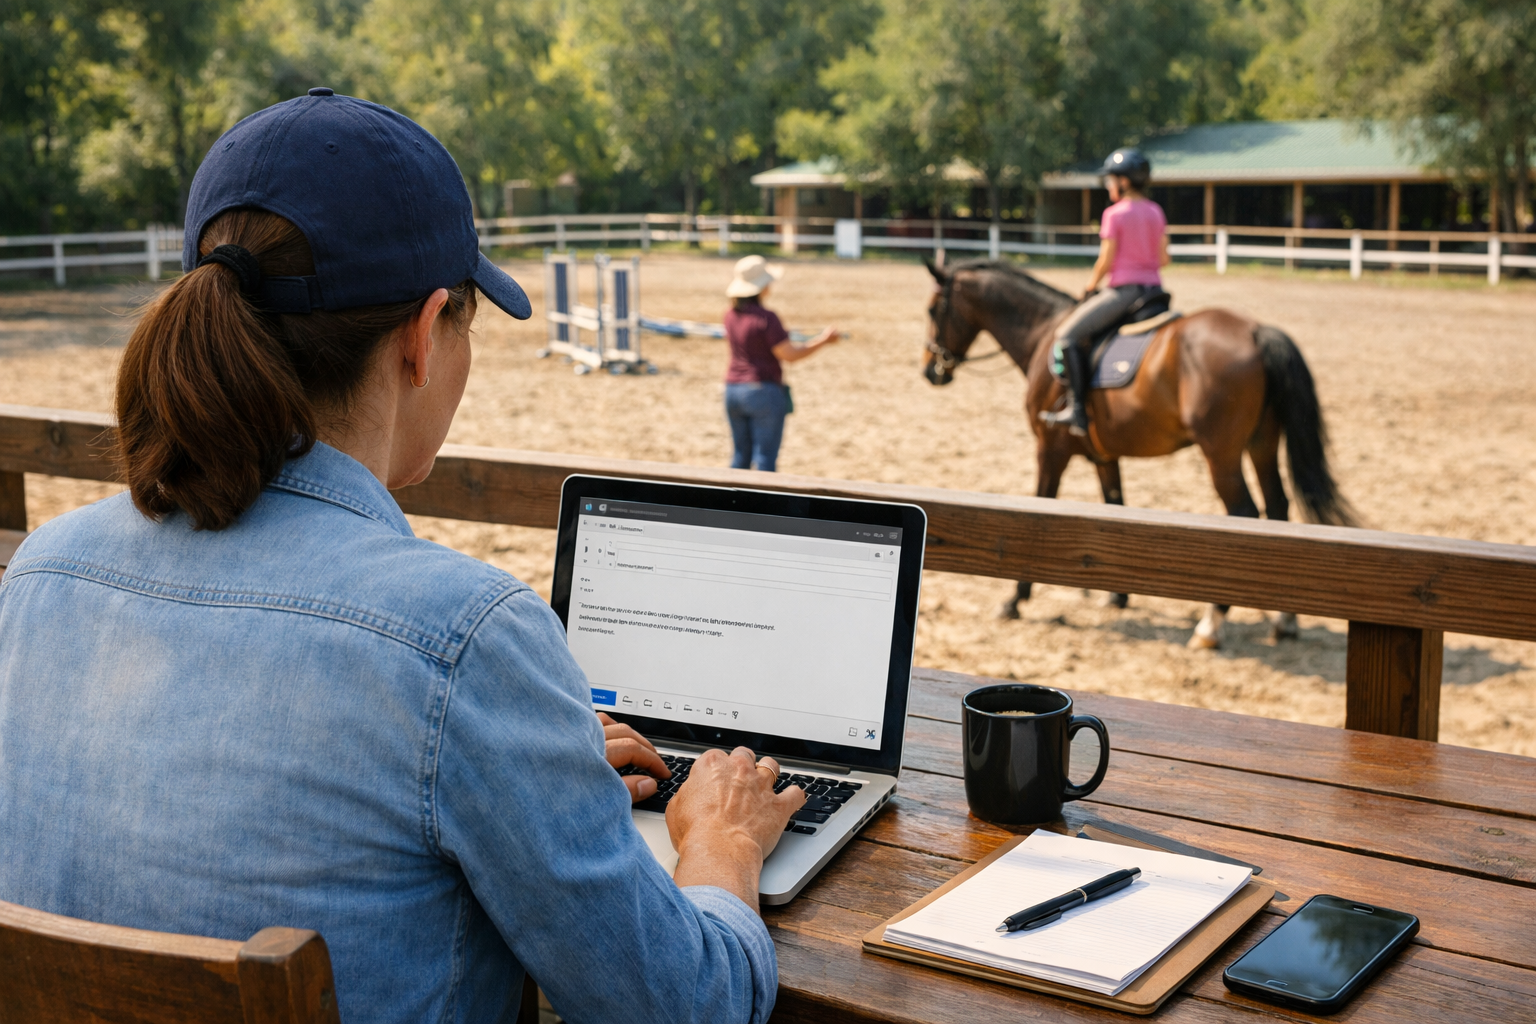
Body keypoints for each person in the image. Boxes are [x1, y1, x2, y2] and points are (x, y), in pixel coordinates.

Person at [0, 91, 803, 1024]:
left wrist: (532, 765)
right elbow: (683, 1006)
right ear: (424, 337)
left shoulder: (44, 574)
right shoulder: (460, 639)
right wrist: (724, 842)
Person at [1041, 147, 1170, 436]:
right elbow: (1164, 258)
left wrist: (1090, 287)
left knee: (1066, 335)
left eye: (1111, 180)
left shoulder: (1114, 214)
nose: (1109, 186)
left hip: (1124, 293)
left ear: (1123, 182)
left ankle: (1076, 411)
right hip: (1155, 292)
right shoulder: (1155, 211)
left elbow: (1105, 260)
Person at [722, 255, 839, 471]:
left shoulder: (730, 315)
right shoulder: (767, 318)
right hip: (762, 390)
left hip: (732, 389)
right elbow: (790, 355)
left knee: (740, 457)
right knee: (765, 459)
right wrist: (823, 340)